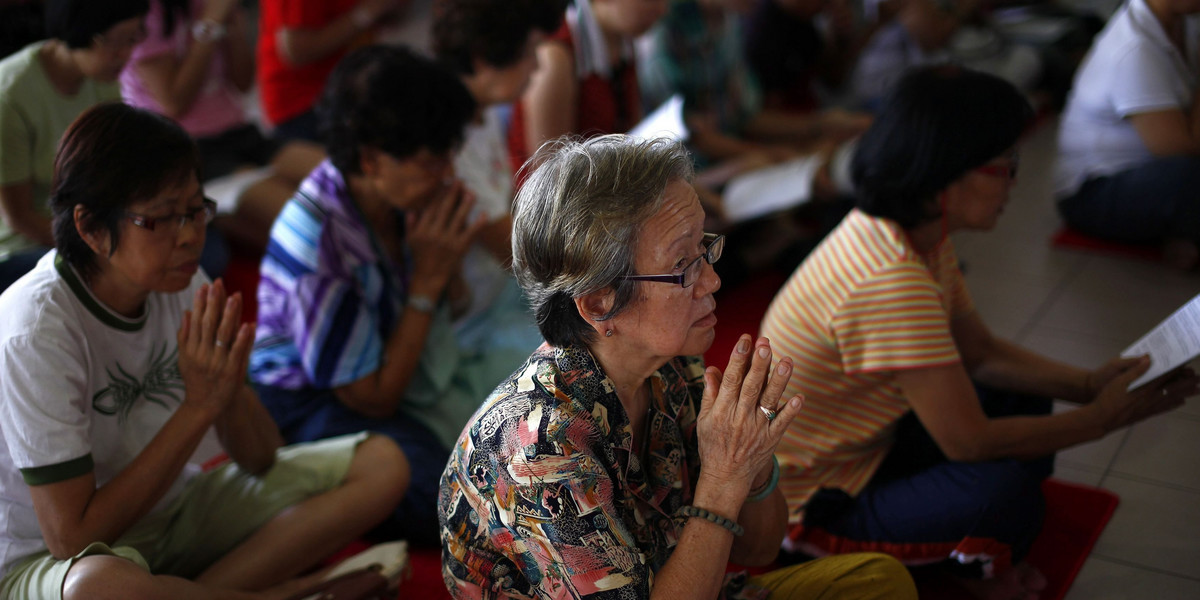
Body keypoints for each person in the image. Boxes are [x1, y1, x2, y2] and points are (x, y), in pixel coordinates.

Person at [759, 66, 1199, 600]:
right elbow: (967, 442)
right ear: (945, 177)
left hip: (873, 445)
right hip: (814, 504)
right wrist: (1102, 418)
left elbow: (982, 354)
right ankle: (973, 565)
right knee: (1004, 496)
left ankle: (965, 543)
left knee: (1017, 397)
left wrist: (1090, 384)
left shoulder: (915, 231)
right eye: (1003, 166)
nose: (1015, 180)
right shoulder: (888, 280)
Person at [438, 134, 919, 599]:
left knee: (876, 580)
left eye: (704, 248)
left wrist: (750, 463)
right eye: (683, 266)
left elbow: (760, 548)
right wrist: (723, 478)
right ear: (601, 302)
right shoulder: (539, 449)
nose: (712, 279)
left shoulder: (671, 369)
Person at [0, 102, 408, 600]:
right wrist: (196, 410)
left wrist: (226, 390)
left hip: (168, 514)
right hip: (46, 561)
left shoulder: (183, 282)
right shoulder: (34, 329)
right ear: (89, 227)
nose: (191, 235)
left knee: (383, 464)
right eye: (161, 220)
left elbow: (261, 458)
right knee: (98, 588)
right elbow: (72, 538)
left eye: (195, 210)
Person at [251, 45, 522, 548]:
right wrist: (428, 283)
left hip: (388, 361)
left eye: (448, 157)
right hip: (307, 399)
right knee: (450, 501)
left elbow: (449, 310)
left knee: (525, 405)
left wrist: (441, 279)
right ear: (372, 159)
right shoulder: (322, 243)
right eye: (429, 162)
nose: (445, 174)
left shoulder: (399, 197)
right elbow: (371, 398)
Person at [120, 0, 325, 251]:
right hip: (186, 152)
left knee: (344, 179)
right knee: (309, 221)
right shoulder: (146, 13)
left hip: (239, 133)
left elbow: (243, 81)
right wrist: (211, 22)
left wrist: (233, 27)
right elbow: (173, 101)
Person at [431, 0, 563, 356]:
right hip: (475, 320)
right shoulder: (444, 147)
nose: (536, 66)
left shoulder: (485, 111)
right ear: (481, 59)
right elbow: (515, 252)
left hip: (502, 292)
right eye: (529, 52)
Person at [0, 0, 149, 291]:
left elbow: (114, 172)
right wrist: (104, 243)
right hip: (22, 247)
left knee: (202, 248)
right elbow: (18, 218)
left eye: (133, 39)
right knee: (124, 276)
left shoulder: (102, 78)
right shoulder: (10, 95)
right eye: (116, 42)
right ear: (81, 32)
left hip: (88, 227)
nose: (126, 54)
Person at [1054, 0, 1200, 269]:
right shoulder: (1135, 48)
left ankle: (1183, 232)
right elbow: (1181, 150)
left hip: (1152, 169)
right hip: (1095, 192)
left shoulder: (1185, 22)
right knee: (1192, 178)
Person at [506, 0, 668, 174]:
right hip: (568, 194)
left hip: (607, 186)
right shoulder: (556, 58)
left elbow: (632, 137)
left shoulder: (626, 43)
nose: (662, 10)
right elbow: (550, 174)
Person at [256, 0, 409, 142]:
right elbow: (295, 51)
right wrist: (365, 13)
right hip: (304, 106)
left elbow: (390, 17)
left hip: (352, 89)